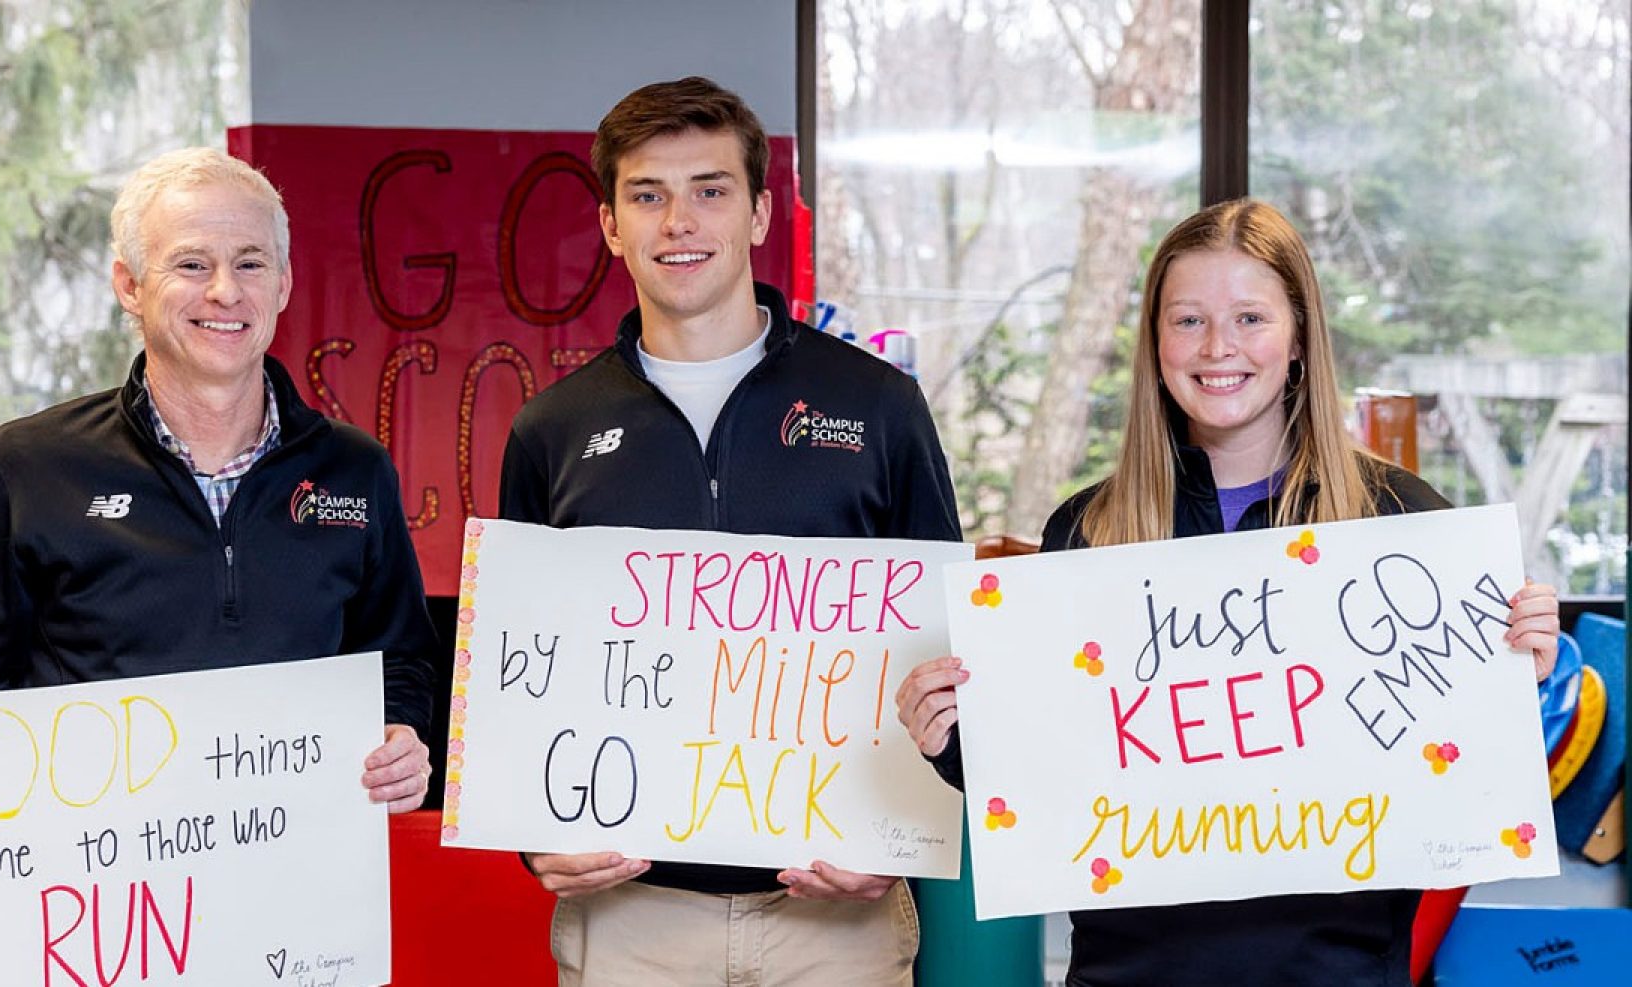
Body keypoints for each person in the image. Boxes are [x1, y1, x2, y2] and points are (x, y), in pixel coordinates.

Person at [897, 198, 1561, 986]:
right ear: (1155, 341)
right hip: (1129, 974)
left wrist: (1520, 660)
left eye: (1250, 317)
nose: (1219, 348)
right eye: (1188, 321)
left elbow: (1463, 759)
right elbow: (1051, 774)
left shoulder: (1402, 522)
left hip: (1337, 973)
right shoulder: (1089, 531)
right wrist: (951, 738)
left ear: (1299, 335)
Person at [0, 147, 439, 915]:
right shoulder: (26, 465)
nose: (225, 291)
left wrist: (402, 734)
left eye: (251, 263)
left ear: (285, 283)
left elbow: (399, 657)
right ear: (129, 283)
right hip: (92, 915)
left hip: (291, 912)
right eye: (191, 264)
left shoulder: (353, 472)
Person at [498, 77, 959, 986]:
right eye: (648, 195)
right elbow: (516, 674)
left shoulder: (878, 406)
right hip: (631, 917)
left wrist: (904, 839)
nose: (680, 221)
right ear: (609, 225)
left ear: (758, 215)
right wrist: (531, 838)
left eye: (711, 190)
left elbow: (950, 658)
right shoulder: (550, 429)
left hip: (837, 914)